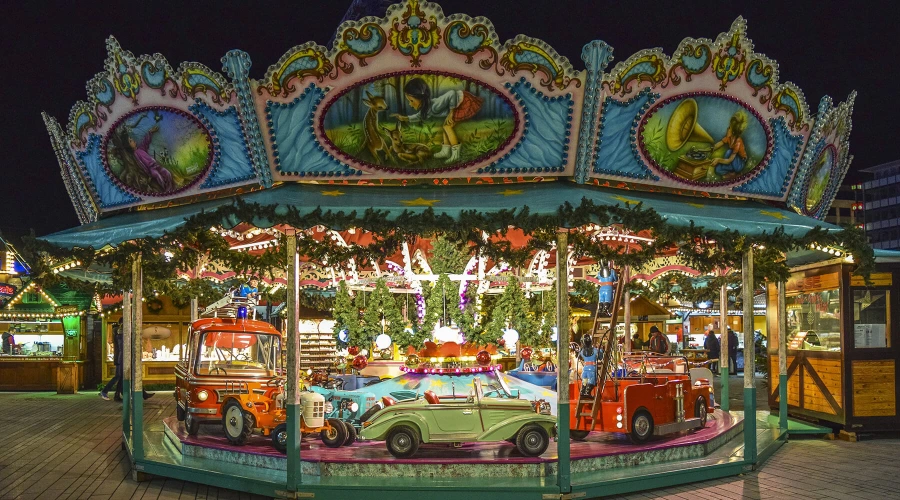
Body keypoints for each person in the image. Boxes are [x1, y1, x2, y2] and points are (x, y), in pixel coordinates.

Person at [391, 77, 483, 164]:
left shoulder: (435, 106)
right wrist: (404, 118)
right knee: (446, 127)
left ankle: (456, 154)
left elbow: (452, 94)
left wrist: (451, 112)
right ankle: (446, 151)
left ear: (420, 98)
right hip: (457, 103)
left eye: (411, 100)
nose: (410, 104)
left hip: (461, 102)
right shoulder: (427, 108)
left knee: (447, 127)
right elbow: (418, 116)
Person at [100, 319, 154, 401]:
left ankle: (117, 395)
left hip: (121, 358)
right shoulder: (121, 334)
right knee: (123, 376)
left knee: (121, 377)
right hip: (122, 358)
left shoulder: (118, 333)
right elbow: (123, 348)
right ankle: (107, 392)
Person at [705, 111, 749, 180]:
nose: (727, 129)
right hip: (731, 161)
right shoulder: (728, 138)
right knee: (717, 170)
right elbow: (719, 144)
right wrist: (711, 149)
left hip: (739, 162)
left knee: (729, 151)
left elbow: (729, 160)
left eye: (729, 128)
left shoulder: (738, 141)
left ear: (733, 132)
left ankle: (736, 172)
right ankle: (732, 174)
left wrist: (718, 160)